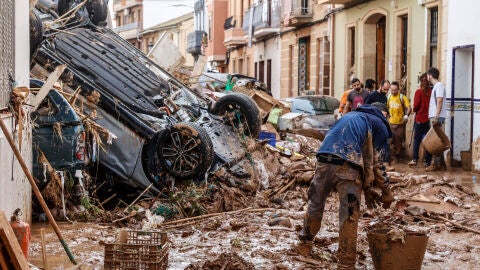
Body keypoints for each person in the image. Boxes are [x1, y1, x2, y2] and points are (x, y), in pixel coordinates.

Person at [295, 103, 393, 269]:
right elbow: (376, 162)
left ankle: (305, 243)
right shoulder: (381, 125)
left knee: (315, 203)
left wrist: (368, 188)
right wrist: (386, 191)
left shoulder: (350, 116)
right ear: (384, 114)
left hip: (323, 159)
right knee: (349, 213)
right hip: (347, 166)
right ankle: (346, 263)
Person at [426, 67, 447, 171]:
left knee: (435, 141)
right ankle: (441, 164)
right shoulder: (437, 86)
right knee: (438, 140)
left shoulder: (438, 86)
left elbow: (439, 101)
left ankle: (435, 164)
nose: (427, 78)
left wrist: (436, 116)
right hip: (436, 116)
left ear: (430, 75)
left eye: (427, 76)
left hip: (437, 117)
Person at [409, 73, 432, 167]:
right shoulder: (431, 91)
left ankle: (415, 159)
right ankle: (427, 161)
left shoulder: (418, 92)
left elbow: (416, 105)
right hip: (428, 119)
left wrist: (414, 109)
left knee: (417, 140)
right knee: (428, 140)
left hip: (419, 119)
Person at [387, 81, 411, 163]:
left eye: (395, 90)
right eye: (392, 90)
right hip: (390, 123)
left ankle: (397, 157)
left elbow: (409, 108)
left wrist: (406, 115)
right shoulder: (389, 97)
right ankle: (392, 156)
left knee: (398, 141)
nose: (393, 92)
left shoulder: (402, 97)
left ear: (398, 89)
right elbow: (386, 108)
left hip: (400, 124)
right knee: (390, 141)